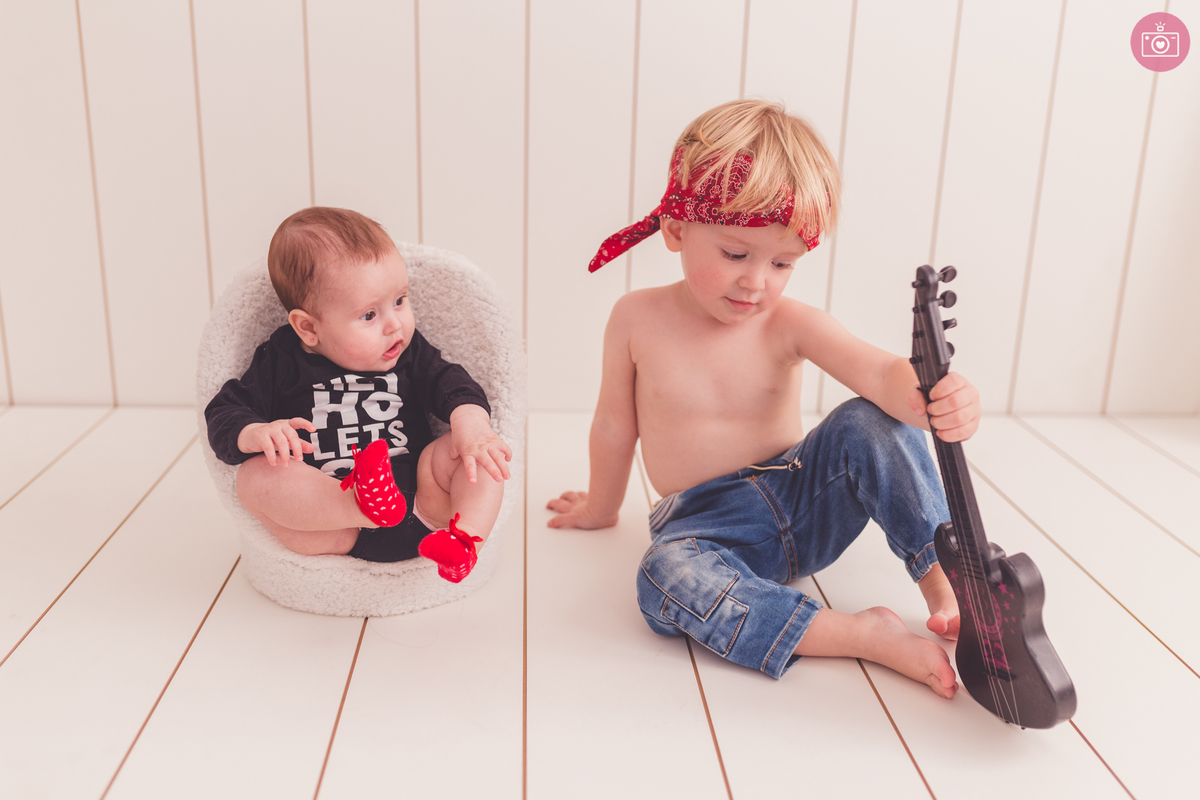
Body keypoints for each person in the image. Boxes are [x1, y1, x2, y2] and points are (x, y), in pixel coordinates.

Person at [546, 99, 978, 697]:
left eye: (782, 263)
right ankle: (856, 635)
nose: (757, 282)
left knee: (868, 423)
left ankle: (945, 576)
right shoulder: (635, 319)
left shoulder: (790, 323)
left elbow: (879, 375)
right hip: (708, 529)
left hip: (804, 495)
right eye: (734, 254)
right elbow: (615, 427)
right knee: (661, 578)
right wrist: (601, 506)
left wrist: (932, 395)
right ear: (675, 228)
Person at [206, 207, 511, 583]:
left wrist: (471, 422)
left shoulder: (408, 350)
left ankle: (464, 542)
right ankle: (361, 504)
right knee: (253, 478)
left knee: (477, 456)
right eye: (369, 315)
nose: (394, 324)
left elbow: (452, 382)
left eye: (400, 300)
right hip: (337, 526)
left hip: (425, 504)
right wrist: (254, 433)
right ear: (308, 328)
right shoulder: (281, 360)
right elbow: (224, 412)